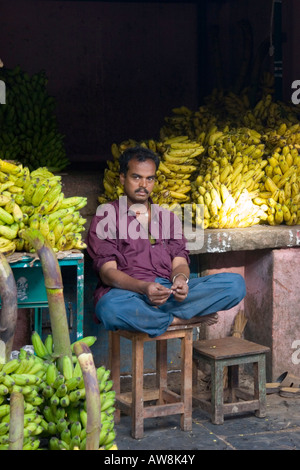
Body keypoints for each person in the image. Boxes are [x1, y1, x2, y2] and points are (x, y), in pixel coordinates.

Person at [86, 146, 246, 338]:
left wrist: (180, 280)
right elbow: (108, 273)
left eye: (150, 178)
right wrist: (144, 288)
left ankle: (156, 317)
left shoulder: (168, 218)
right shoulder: (107, 216)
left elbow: (179, 262)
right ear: (122, 178)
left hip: (166, 293)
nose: (143, 184)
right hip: (129, 293)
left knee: (235, 285)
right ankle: (180, 320)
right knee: (109, 308)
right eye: (136, 177)